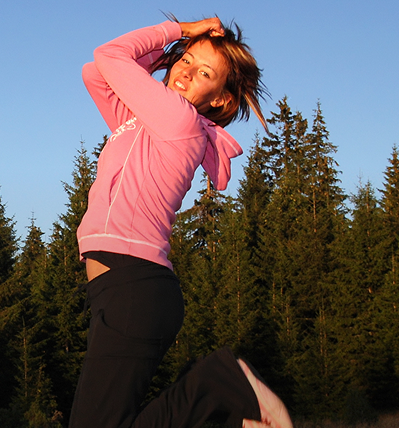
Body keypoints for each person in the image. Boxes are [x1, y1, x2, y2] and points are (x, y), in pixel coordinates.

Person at [72, 15, 292, 428]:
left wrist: (182, 32)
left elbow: (109, 55)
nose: (187, 73)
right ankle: (223, 409)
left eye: (205, 73)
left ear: (221, 100)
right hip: (116, 289)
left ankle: (221, 385)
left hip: (134, 284)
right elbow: (95, 72)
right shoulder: (137, 122)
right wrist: (167, 58)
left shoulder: (180, 122)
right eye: (186, 60)